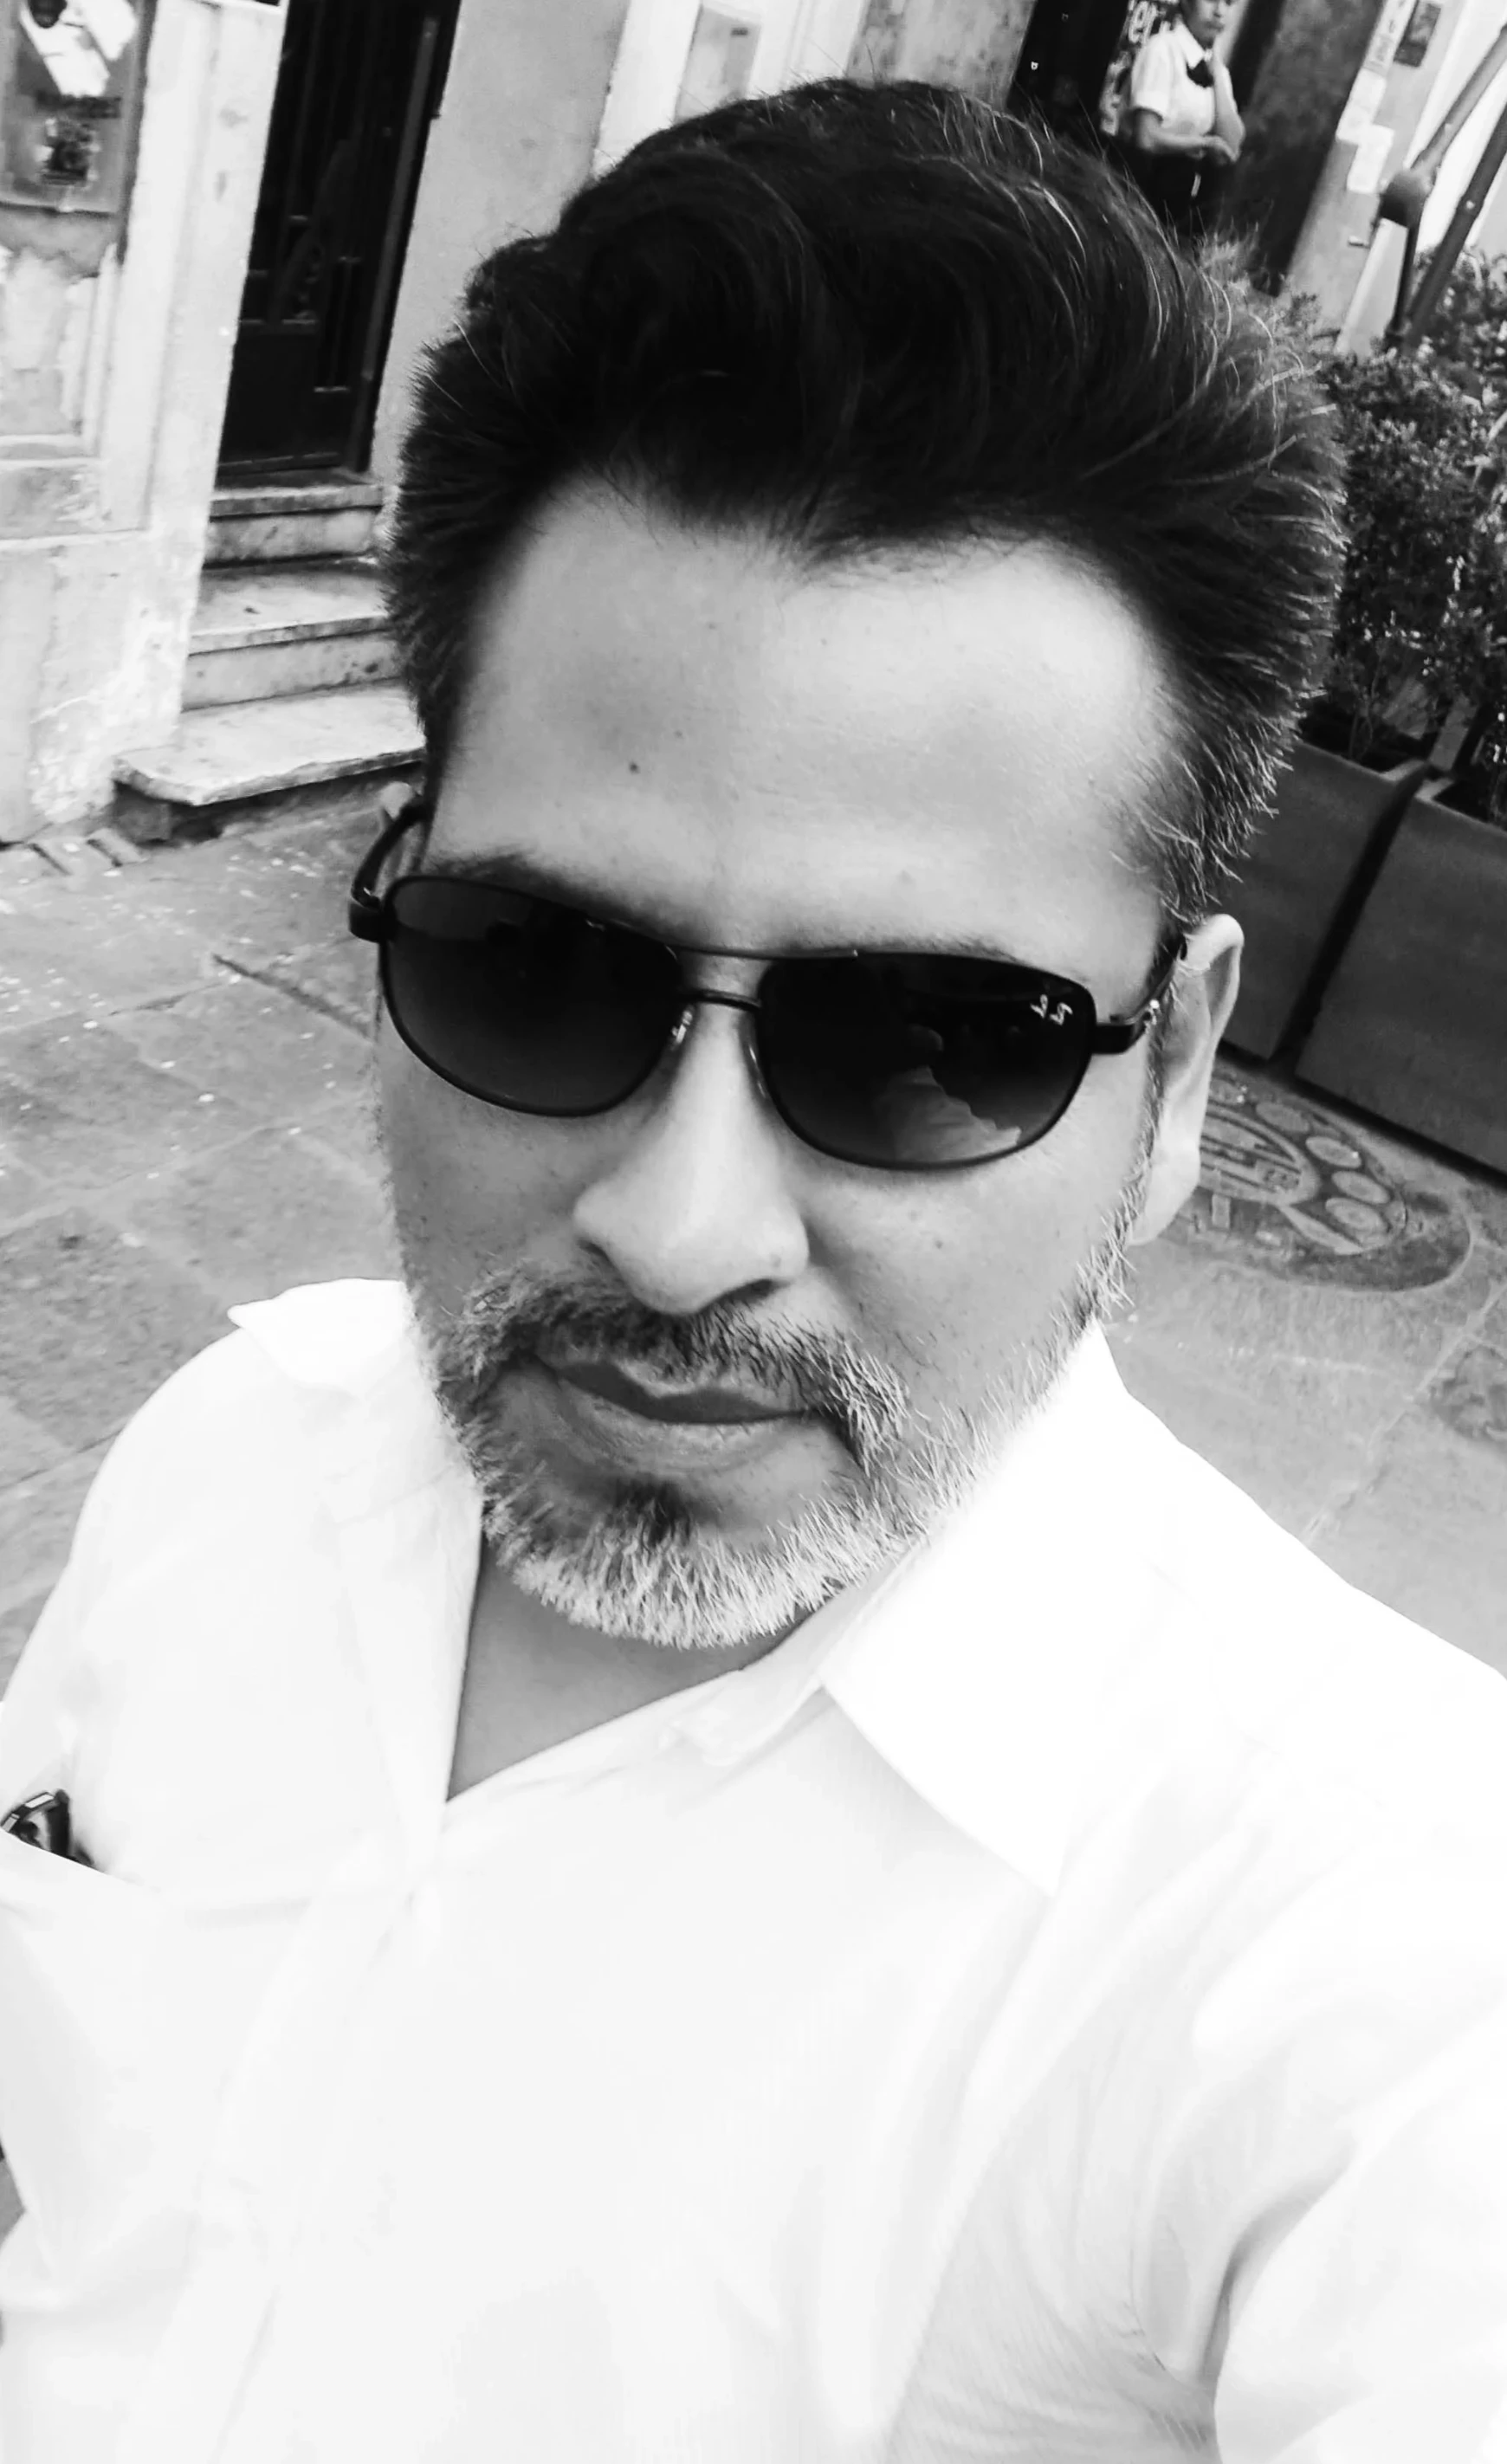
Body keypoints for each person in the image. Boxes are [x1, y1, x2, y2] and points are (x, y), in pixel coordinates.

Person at [2, 78, 1505, 2464]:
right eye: (534, 968)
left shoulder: (1362, 1943)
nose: (682, 1224)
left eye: (929, 1042)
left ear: (1174, 1073)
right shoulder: (222, 1457)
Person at [1122, 0, 1245, 240]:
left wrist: (1218, 77)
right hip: (1139, 190)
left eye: (1229, 3)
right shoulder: (1162, 50)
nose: (1220, 12)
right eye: (1211, 0)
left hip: (1178, 204)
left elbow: (1231, 145)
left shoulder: (1216, 70)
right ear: (1187, 3)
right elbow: (1146, 137)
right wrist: (1204, 143)